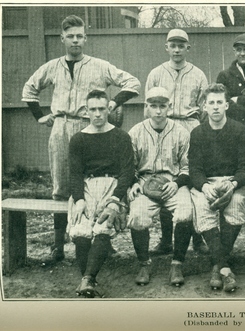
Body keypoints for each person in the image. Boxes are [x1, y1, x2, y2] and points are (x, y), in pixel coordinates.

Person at [21, 15, 140, 265]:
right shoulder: (53, 66)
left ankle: (102, 241)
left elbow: (132, 82)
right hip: (61, 126)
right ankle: (58, 245)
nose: (75, 40)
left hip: (90, 127)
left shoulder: (99, 65)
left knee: (96, 183)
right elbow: (29, 89)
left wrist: (114, 101)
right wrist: (40, 117)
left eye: (79, 36)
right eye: (70, 36)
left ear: (85, 38)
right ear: (62, 38)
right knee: (62, 186)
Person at [145, 28, 208, 255]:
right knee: (166, 178)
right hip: (165, 127)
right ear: (167, 47)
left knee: (191, 180)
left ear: (187, 48)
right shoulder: (156, 74)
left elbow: (204, 109)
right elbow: (149, 108)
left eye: (181, 45)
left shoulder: (198, 74)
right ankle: (166, 240)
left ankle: (198, 238)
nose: (177, 49)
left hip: (190, 125)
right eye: (173, 45)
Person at [68, 90, 135, 298]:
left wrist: (116, 200)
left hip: (113, 189)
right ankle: (87, 279)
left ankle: (87, 280)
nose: (98, 114)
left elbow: (127, 172)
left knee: (103, 228)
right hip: (86, 189)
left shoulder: (121, 137)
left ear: (109, 109)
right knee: (81, 230)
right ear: (86, 111)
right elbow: (75, 174)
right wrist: (79, 200)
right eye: (93, 109)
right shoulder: (78, 139)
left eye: (101, 109)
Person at [127, 87, 195, 287]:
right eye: (153, 106)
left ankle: (177, 263)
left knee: (185, 211)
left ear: (169, 107)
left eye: (162, 106)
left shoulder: (182, 132)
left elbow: (187, 167)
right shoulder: (136, 132)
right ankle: (144, 263)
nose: (158, 111)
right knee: (138, 214)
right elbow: (128, 166)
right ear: (146, 107)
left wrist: (177, 183)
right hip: (144, 183)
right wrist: (133, 184)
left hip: (173, 182)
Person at [189, 83, 245, 292]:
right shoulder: (197, 133)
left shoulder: (239, 130)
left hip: (232, 182)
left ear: (226, 105)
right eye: (211, 103)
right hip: (207, 183)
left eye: (219, 102)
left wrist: (233, 184)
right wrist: (204, 187)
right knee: (204, 208)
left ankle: (217, 265)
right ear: (204, 107)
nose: (215, 107)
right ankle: (224, 268)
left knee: (235, 206)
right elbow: (195, 170)